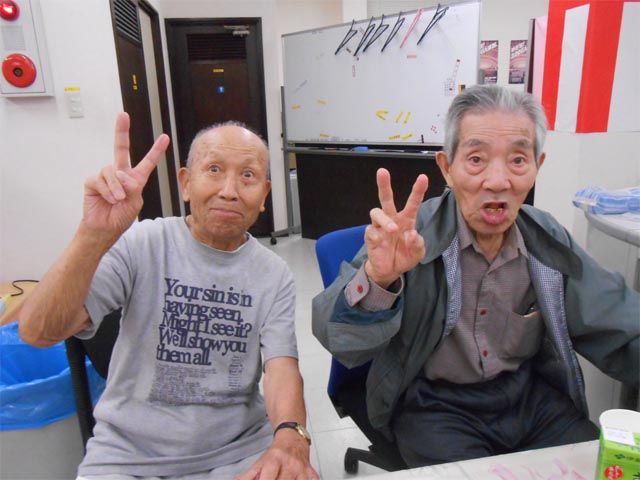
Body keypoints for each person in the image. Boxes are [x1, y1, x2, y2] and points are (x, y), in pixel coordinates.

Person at [312, 85, 639, 467]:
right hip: (434, 405)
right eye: (477, 159)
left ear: (538, 166)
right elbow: (339, 338)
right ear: (446, 167)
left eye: (518, 159)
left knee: (596, 466)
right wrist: (378, 279)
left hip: (531, 398)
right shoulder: (412, 237)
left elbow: (619, 321)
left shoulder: (546, 240)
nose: (497, 180)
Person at [19, 113, 319, 480]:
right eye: (213, 169)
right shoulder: (143, 244)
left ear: (264, 196)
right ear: (186, 183)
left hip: (236, 451)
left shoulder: (274, 274)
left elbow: (281, 368)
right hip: (128, 458)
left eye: (247, 175)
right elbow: (37, 331)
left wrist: (290, 436)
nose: (229, 190)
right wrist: (92, 235)